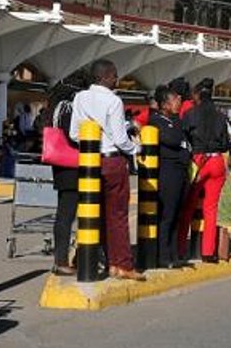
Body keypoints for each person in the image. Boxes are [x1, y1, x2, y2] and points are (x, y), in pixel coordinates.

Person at [69, 59, 143, 281]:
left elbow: (74, 133)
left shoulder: (79, 98)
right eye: (114, 76)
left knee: (92, 214)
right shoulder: (114, 101)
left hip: (89, 160)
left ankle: (91, 259)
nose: (117, 80)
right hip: (112, 161)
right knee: (117, 215)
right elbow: (121, 138)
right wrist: (136, 148)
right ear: (105, 77)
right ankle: (121, 264)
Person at [177, 79, 231, 263]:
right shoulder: (221, 116)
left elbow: (182, 137)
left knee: (188, 207)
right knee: (211, 208)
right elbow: (226, 143)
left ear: (197, 95)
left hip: (198, 160)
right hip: (217, 161)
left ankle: (181, 248)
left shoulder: (190, 114)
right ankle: (208, 252)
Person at [45, 74, 87, 276]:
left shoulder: (54, 105)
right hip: (72, 165)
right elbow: (74, 134)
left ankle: (63, 259)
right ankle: (62, 260)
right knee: (68, 214)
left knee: (66, 213)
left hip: (62, 165)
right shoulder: (67, 107)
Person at [149, 84, 190, 268]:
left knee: (177, 215)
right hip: (168, 172)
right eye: (175, 100)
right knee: (167, 215)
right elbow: (172, 139)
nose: (178, 103)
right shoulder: (156, 121)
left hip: (181, 171)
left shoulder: (176, 121)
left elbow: (185, 139)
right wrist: (181, 140)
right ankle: (163, 256)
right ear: (165, 104)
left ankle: (174, 254)